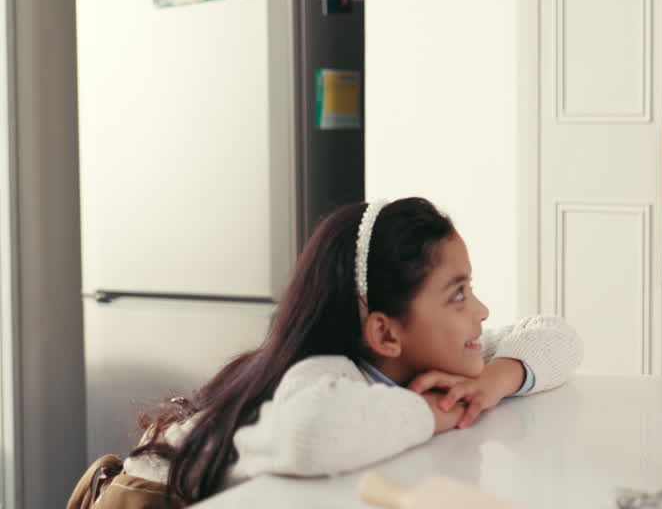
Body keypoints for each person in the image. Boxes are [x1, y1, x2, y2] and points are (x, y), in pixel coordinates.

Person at [68, 197, 583, 508]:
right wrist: (441, 411)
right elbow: (312, 435)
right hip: (146, 502)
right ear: (384, 334)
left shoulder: (434, 362)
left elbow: (560, 337)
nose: (483, 311)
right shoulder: (323, 376)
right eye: (458, 294)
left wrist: (492, 383)